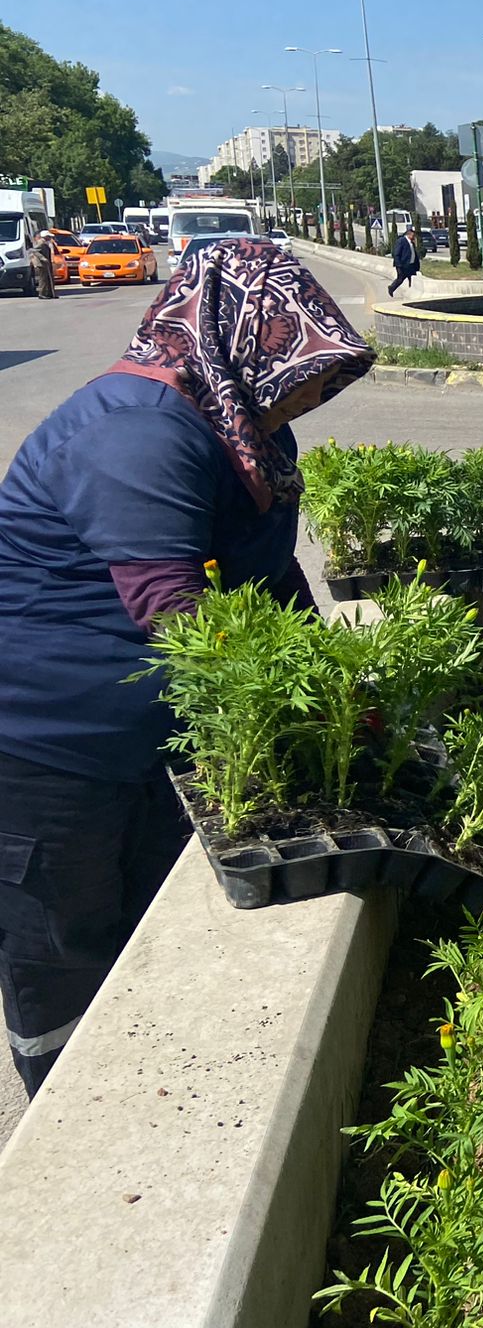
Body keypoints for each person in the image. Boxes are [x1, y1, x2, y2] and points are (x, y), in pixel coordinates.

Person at [0, 239, 372, 1095]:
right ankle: (74, 1121)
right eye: (305, 372)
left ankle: (146, 1089)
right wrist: (300, 714)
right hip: (55, 751)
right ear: (247, 341)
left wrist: (343, 687)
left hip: (151, 745)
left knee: (144, 942)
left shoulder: (241, 438)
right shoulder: (140, 432)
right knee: (67, 951)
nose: (313, 396)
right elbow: (180, 617)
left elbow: (273, 585)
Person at [387, 227, 420, 297]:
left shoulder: (412, 243)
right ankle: (391, 288)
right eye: (413, 235)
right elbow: (396, 253)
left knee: (412, 278)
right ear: (409, 234)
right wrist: (398, 265)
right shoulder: (401, 241)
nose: (414, 237)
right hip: (402, 265)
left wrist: (417, 265)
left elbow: (414, 253)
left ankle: (412, 292)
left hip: (411, 265)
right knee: (400, 279)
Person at [31, 228, 56, 299]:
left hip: (46, 263)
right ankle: (42, 293)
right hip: (41, 264)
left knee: (48, 278)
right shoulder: (40, 242)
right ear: (45, 236)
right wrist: (43, 258)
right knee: (43, 279)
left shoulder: (46, 242)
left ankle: (50, 293)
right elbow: (35, 250)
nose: (50, 238)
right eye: (49, 236)